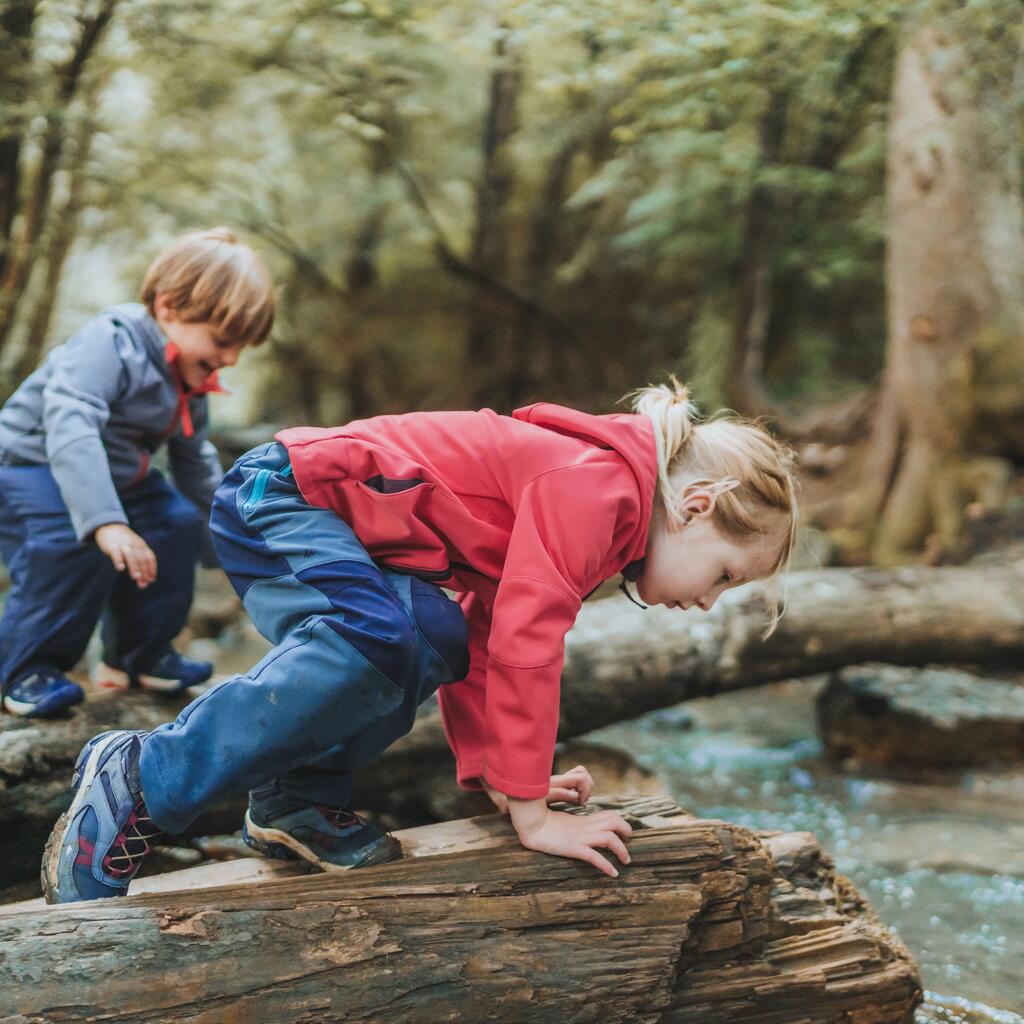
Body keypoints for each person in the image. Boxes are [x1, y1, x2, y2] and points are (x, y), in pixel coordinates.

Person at [41, 379, 797, 902]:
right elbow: (534, 643)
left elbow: (490, 634)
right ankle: (144, 776)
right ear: (696, 506)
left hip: (337, 533)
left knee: (426, 629)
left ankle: (296, 803)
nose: (708, 601)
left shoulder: (609, 510)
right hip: (281, 495)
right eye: (726, 574)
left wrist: (499, 774)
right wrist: (535, 813)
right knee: (381, 634)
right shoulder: (600, 490)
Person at [0, 228, 274, 717]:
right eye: (222, 341)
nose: (229, 359)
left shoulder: (191, 378)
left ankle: (140, 655)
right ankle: (25, 671)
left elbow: (195, 464)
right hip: (31, 463)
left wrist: (237, 552)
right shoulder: (113, 342)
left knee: (172, 521)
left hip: (114, 473)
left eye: (240, 348)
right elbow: (71, 422)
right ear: (168, 308)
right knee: (70, 542)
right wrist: (105, 521)